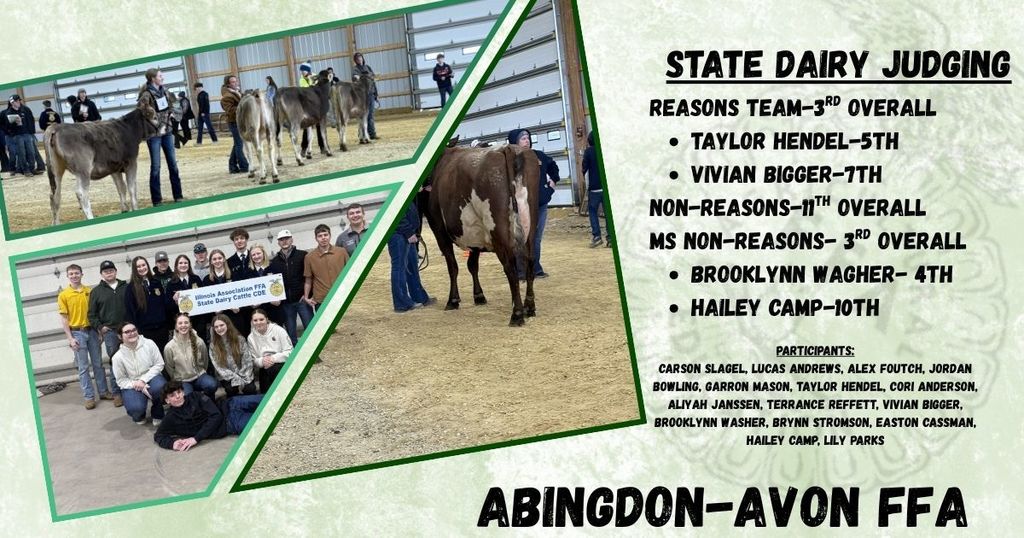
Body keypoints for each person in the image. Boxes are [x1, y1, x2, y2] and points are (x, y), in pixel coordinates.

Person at [58, 264, 116, 409]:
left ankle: (103, 392)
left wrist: (98, 331)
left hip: (92, 331)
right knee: (83, 367)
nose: (74, 276)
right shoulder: (64, 295)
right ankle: (89, 397)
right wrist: (70, 338)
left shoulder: (90, 292)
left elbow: (95, 314)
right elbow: (64, 319)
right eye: (71, 274)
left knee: (98, 364)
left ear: (82, 274)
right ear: (67, 276)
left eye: (77, 273)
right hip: (77, 332)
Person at [154, 379, 262, 451]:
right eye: (172, 395)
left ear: (183, 392)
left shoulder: (196, 396)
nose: (178, 396)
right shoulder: (171, 418)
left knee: (270, 397)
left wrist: (196, 438)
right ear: (167, 400)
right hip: (231, 423)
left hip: (231, 404)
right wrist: (172, 444)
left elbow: (216, 415)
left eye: (179, 392)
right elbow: (159, 436)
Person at [508, 128, 559, 278]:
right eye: (522, 138)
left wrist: (552, 183)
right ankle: (520, 270)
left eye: (527, 137)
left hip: (540, 205)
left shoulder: (539, 156)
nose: (526, 140)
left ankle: (536, 268)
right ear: (514, 141)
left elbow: (553, 166)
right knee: (520, 236)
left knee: (536, 237)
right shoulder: (511, 160)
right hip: (520, 206)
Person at [138, 68, 184, 206]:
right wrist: (154, 115)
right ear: (153, 78)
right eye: (160, 76)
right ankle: (157, 200)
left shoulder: (167, 92)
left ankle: (178, 195)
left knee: (173, 164)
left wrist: (174, 114)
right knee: (156, 166)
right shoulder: (146, 95)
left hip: (168, 132)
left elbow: (178, 107)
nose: (162, 77)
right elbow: (141, 109)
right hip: (153, 135)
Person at [87, 260, 127, 407]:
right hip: (110, 332)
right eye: (106, 271)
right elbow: (91, 314)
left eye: (111, 270)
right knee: (115, 361)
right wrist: (100, 327)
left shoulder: (126, 287)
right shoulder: (96, 292)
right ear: (101, 274)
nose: (109, 273)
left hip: (128, 330)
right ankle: (117, 393)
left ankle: (133, 389)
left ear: (116, 271)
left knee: (133, 358)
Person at [111, 322, 167, 425]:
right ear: (120, 336)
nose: (131, 333)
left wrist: (143, 380)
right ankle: (139, 415)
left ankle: (158, 413)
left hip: (151, 377)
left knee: (160, 387)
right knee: (136, 408)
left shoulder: (149, 343)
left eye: (133, 330)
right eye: (127, 332)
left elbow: (159, 364)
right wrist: (136, 384)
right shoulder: (117, 357)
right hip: (133, 384)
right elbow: (121, 381)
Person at [269, 229, 312, 345]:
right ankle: (296, 356)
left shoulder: (303, 255)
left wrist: (307, 295)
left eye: (287, 238)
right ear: (278, 242)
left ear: (292, 239)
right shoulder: (274, 262)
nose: (284, 241)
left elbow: (309, 275)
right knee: (291, 333)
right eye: (281, 240)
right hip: (286, 304)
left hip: (302, 300)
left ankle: (315, 353)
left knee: (311, 329)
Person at [389, 203, 433, 312]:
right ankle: (402, 303)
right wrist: (408, 232)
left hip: (407, 232)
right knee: (399, 268)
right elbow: (397, 213)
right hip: (398, 233)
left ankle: (419, 297)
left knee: (412, 266)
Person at [163, 313, 218, 399]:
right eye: (180, 323)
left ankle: (209, 403)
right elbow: (169, 367)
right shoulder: (169, 347)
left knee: (212, 384)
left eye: (186, 322)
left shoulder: (199, 341)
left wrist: (200, 372)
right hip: (182, 381)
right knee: (188, 396)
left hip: (199, 377)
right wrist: (178, 378)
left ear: (190, 325)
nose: (183, 325)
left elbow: (205, 360)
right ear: (176, 326)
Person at [123, 255, 171, 351]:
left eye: (143, 265)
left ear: (147, 266)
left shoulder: (156, 283)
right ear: (134, 269)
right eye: (138, 267)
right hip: (144, 332)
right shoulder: (130, 288)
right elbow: (130, 312)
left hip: (162, 330)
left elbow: (164, 305)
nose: (142, 268)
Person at [303, 224, 349, 311]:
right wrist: (306, 297)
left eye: (325, 235)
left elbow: (351, 273)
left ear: (330, 236)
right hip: (321, 301)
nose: (323, 238)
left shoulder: (341, 252)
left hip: (342, 297)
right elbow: (308, 279)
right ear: (316, 238)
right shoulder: (309, 257)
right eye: (320, 236)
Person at [208, 314, 256, 396]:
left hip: (244, 373)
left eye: (221, 325)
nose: (219, 328)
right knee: (231, 389)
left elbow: (247, 360)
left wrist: (242, 376)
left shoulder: (240, 339)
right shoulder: (213, 345)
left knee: (250, 388)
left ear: (228, 325)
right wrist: (235, 377)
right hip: (227, 376)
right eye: (216, 327)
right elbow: (219, 366)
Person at [247, 309, 292, 393]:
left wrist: (273, 358)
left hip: (281, 363)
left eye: (261, 319)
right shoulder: (251, 337)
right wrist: (262, 361)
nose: (258, 322)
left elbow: (289, 351)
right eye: (255, 320)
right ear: (252, 322)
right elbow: (254, 359)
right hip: (265, 366)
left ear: (267, 319)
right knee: (265, 392)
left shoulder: (279, 330)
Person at [166, 254, 207, 341]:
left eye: (185, 263)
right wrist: (175, 302)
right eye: (180, 263)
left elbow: (204, 298)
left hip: (198, 321)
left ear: (189, 265)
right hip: (182, 324)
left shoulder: (196, 279)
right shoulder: (171, 284)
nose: (183, 265)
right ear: (176, 266)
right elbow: (168, 306)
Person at [0, 94, 43, 176]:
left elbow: (31, 121)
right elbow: (7, 126)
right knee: (21, 153)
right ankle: (26, 170)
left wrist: (32, 132)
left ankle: (31, 168)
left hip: (27, 134)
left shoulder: (25, 110)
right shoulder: (8, 113)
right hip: (17, 136)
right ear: (12, 102)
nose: (19, 102)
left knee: (31, 152)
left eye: (19, 100)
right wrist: (15, 124)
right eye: (16, 101)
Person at [582, 131, 612, 248]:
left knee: (593, 212)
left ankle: (597, 237)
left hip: (594, 189)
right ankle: (610, 239)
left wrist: (587, 185)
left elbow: (584, 170)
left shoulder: (588, 152)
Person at [203, 249, 244, 332]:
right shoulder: (206, 280)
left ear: (224, 259)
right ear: (211, 262)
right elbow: (205, 302)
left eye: (220, 258)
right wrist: (214, 311)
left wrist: (239, 306)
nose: (217, 261)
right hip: (217, 321)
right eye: (214, 259)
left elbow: (243, 295)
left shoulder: (235, 275)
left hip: (235, 317)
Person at [220, 75, 249, 174]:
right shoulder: (226, 96)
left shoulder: (236, 92)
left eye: (236, 81)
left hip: (239, 121)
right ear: (228, 84)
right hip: (233, 122)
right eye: (233, 82)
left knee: (237, 144)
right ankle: (244, 166)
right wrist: (244, 106)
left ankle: (232, 167)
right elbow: (230, 110)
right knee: (239, 144)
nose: (235, 83)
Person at [227, 228, 253, 333]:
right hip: (239, 307)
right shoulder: (229, 262)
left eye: (242, 238)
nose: (239, 241)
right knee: (243, 332)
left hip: (257, 303)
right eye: (236, 239)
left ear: (246, 240)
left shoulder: (255, 256)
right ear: (233, 242)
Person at [297, 62, 325, 156]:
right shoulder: (301, 80)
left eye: (303, 70)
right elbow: (306, 91)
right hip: (308, 105)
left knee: (319, 126)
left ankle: (322, 147)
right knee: (306, 126)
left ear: (308, 70)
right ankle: (304, 148)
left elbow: (319, 88)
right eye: (301, 70)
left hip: (317, 104)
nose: (302, 72)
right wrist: (310, 82)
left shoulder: (315, 76)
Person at [352, 52, 378, 140]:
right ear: (355, 60)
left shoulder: (368, 67)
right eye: (357, 59)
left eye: (360, 58)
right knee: (363, 116)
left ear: (362, 58)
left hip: (371, 93)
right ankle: (364, 134)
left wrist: (376, 94)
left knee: (370, 114)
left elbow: (373, 80)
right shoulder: (355, 69)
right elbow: (354, 78)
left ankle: (372, 134)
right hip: (362, 96)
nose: (359, 60)